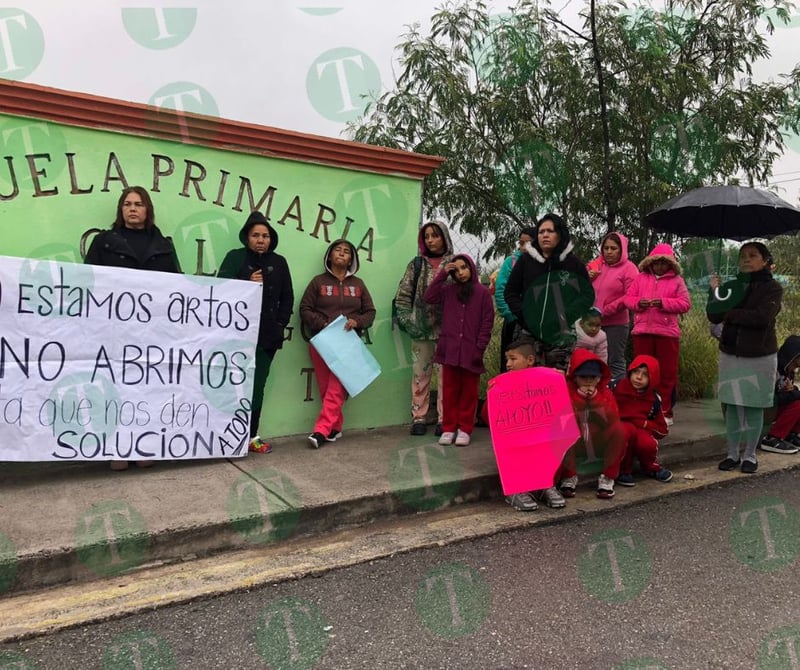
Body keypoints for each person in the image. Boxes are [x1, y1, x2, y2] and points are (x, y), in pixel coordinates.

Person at [85, 186, 181, 471]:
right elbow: (87, 279)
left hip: (152, 331)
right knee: (115, 387)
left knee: (147, 387)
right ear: (121, 209)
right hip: (113, 329)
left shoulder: (164, 245)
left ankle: (143, 444)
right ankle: (117, 448)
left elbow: (177, 285)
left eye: (138, 204)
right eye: (127, 204)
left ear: (147, 209)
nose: (132, 208)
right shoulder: (104, 242)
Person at [218, 211, 294, 454]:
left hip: (266, 337)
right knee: (231, 384)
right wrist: (246, 281)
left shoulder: (280, 262)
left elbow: (287, 297)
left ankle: (251, 436)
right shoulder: (234, 258)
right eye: (255, 235)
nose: (261, 240)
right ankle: (224, 434)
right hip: (235, 336)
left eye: (265, 236)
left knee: (256, 386)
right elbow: (220, 290)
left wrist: (280, 323)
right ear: (246, 237)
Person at [707, 242, 783, 473]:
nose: (746, 260)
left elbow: (762, 317)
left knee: (753, 405)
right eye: (743, 256)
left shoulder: (773, 288)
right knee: (732, 404)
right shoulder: (732, 285)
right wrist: (715, 293)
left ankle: (750, 455)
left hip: (760, 354)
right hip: (731, 353)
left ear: (765, 260)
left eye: (752, 255)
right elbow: (714, 314)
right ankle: (732, 454)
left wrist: (731, 313)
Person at [300, 239, 376, 449]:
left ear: (352, 259)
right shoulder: (317, 282)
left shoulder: (358, 284)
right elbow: (305, 309)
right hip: (322, 342)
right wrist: (323, 324)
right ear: (329, 256)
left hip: (349, 344)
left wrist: (357, 322)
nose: (342, 254)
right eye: (337, 250)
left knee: (336, 387)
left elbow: (370, 312)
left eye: (347, 252)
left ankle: (322, 430)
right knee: (326, 388)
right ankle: (335, 427)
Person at [504, 213, 594, 373]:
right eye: (541, 231)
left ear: (560, 234)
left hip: (560, 335)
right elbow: (510, 292)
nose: (545, 235)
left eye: (550, 231)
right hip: (528, 331)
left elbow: (587, 296)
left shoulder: (572, 264)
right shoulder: (526, 261)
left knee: (555, 380)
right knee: (524, 377)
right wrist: (524, 316)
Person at [424, 253, 494, 447]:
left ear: (471, 269)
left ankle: (464, 428)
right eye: (457, 269)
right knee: (450, 390)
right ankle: (448, 428)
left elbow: (487, 322)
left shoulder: (482, 293)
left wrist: (479, 347)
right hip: (451, 350)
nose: (461, 273)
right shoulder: (448, 291)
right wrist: (443, 274)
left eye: (465, 267)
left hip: (472, 351)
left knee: (469, 391)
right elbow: (429, 296)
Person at [393, 221, 455, 436]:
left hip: (449, 331)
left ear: (444, 238)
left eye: (435, 236)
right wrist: (409, 322)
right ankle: (419, 416)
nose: (430, 240)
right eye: (427, 236)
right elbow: (403, 295)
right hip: (421, 329)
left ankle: (444, 419)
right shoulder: (417, 264)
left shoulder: (455, 263)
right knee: (420, 374)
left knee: (447, 376)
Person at [494, 339, 567, 512]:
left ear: (530, 360)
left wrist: (560, 382)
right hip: (514, 435)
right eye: (507, 360)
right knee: (512, 446)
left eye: (513, 359)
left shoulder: (544, 380)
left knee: (547, 443)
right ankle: (515, 489)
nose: (508, 364)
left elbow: (559, 405)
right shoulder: (502, 384)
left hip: (539, 433)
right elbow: (490, 417)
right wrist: (493, 396)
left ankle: (545, 485)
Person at [623, 243, 691, 426]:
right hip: (642, 331)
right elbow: (628, 299)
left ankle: (665, 410)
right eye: (657, 262)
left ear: (670, 264)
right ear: (650, 263)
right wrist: (639, 303)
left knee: (667, 373)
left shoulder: (677, 281)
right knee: (642, 372)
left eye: (664, 263)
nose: (660, 266)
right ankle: (643, 408)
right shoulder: (640, 278)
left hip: (667, 333)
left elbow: (685, 304)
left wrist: (663, 303)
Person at [557, 348, 625, 499]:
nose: (588, 381)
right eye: (583, 377)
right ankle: (569, 476)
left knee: (620, 430)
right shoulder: (566, 390)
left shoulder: (605, 393)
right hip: (577, 443)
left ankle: (608, 477)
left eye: (592, 377)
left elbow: (612, 418)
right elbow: (563, 417)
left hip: (597, 441)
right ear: (575, 377)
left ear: (599, 378)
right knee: (564, 429)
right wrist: (580, 399)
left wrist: (595, 400)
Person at [609, 355, 672, 486]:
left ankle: (650, 467)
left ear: (653, 378)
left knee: (646, 443)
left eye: (645, 375)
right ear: (630, 371)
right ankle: (623, 471)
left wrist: (645, 424)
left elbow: (662, 430)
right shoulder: (615, 388)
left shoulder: (653, 399)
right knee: (625, 433)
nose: (639, 377)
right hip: (617, 426)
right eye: (636, 372)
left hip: (640, 427)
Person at [587, 232, 639, 378]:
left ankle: (618, 395)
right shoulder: (596, 265)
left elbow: (630, 297)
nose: (609, 252)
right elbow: (580, 285)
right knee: (592, 360)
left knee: (614, 361)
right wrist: (587, 276)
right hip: (591, 322)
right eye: (606, 248)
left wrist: (604, 310)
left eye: (614, 248)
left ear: (622, 250)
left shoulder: (629, 269)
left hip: (615, 324)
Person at [493, 227, 537, 373]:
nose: (524, 247)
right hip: (514, 320)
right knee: (511, 361)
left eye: (528, 243)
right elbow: (501, 290)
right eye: (521, 243)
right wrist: (510, 314)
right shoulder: (511, 262)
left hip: (535, 323)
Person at [760, 335, 800, 455]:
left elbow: (787, 393)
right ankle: (772, 438)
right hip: (761, 408)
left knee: (796, 400)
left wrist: (793, 391)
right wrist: (793, 393)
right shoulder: (773, 369)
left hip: (773, 406)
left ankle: (790, 434)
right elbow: (769, 397)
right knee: (798, 403)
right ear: (795, 354)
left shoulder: (789, 371)